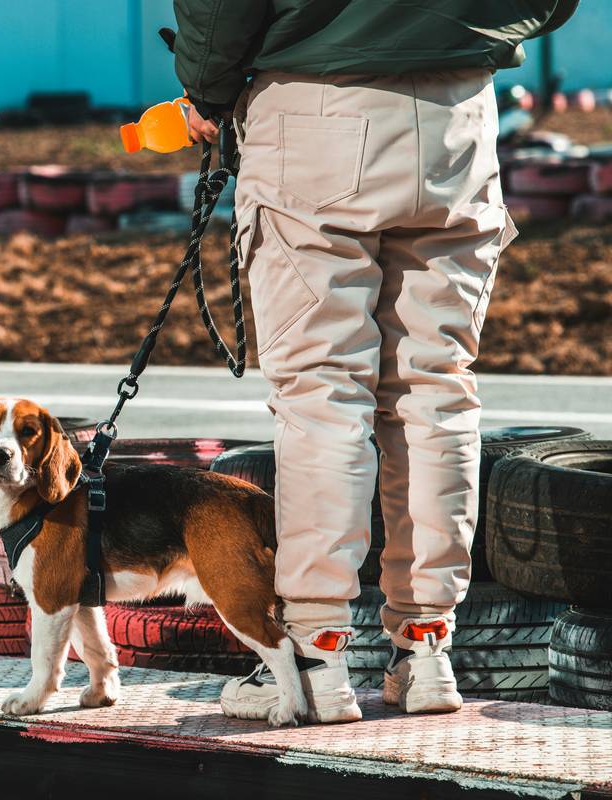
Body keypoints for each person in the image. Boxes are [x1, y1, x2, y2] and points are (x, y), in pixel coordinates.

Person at [169, 0, 579, 723]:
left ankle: (316, 654)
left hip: (318, 110)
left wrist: (207, 87)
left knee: (324, 397)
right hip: (458, 117)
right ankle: (426, 651)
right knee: (436, 390)